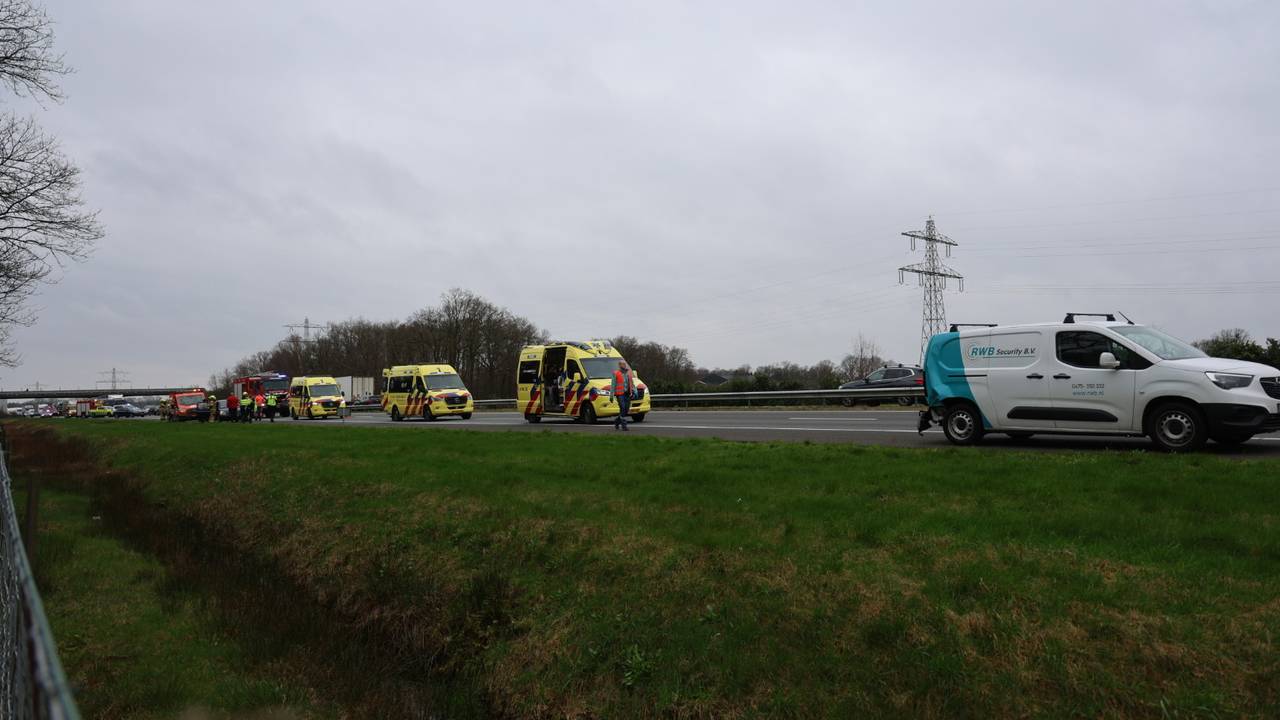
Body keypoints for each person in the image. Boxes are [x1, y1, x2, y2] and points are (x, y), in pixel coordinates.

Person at [612, 360, 635, 431]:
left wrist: (634, 391)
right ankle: (624, 425)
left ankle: (617, 421)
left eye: (625, 364)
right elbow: (613, 385)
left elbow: (632, 384)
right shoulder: (616, 373)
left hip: (627, 394)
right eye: (623, 364)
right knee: (623, 408)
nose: (624, 365)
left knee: (626, 410)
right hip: (619, 394)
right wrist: (611, 396)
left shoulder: (628, 373)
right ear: (619, 365)